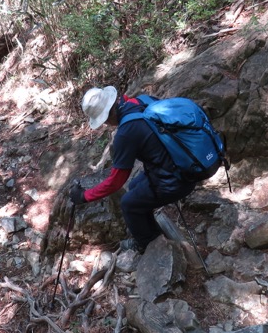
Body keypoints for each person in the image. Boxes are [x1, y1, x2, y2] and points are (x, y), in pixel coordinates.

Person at [69, 86, 197, 253]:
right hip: (184, 164)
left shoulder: (125, 133)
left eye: (104, 121)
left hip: (176, 180)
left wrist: (84, 196)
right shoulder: (141, 101)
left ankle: (149, 245)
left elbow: (116, 182)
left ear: (107, 117)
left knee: (128, 204)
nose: (106, 125)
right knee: (134, 186)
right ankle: (154, 232)